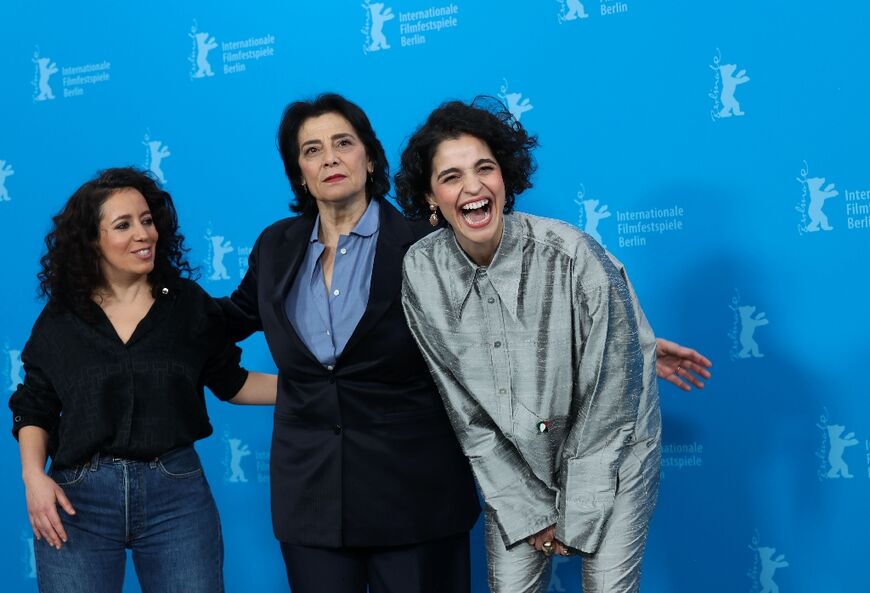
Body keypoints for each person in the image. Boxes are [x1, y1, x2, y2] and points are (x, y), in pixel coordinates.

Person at [396, 98, 682, 592]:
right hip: (518, 455)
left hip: (615, 446)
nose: (472, 186)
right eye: (451, 176)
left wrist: (579, 510)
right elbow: (467, 412)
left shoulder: (572, 254)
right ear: (430, 198)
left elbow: (612, 394)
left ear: (505, 179)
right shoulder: (421, 273)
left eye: (485, 168)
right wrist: (527, 509)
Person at [218, 93, 481, 593]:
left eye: (343, 142)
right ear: (299, 172)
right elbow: (221, 323)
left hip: (415, 500)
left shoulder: (425, 245)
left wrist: (619, 339)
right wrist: (138, 298)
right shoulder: (275, 246)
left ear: (370, 156)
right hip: (312, 504)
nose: (330, 158)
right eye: (312, 150)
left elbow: (498, 334)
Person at [9, 167, 276, 593]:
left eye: (147, 220)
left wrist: (314, 388)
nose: (143, 234)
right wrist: (32, 477)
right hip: (78, 500)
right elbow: (34, 405)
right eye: (123, 225)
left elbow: (233, 383)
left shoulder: (188, 305)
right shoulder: (62, 318)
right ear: (92, 242)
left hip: (176, 495)